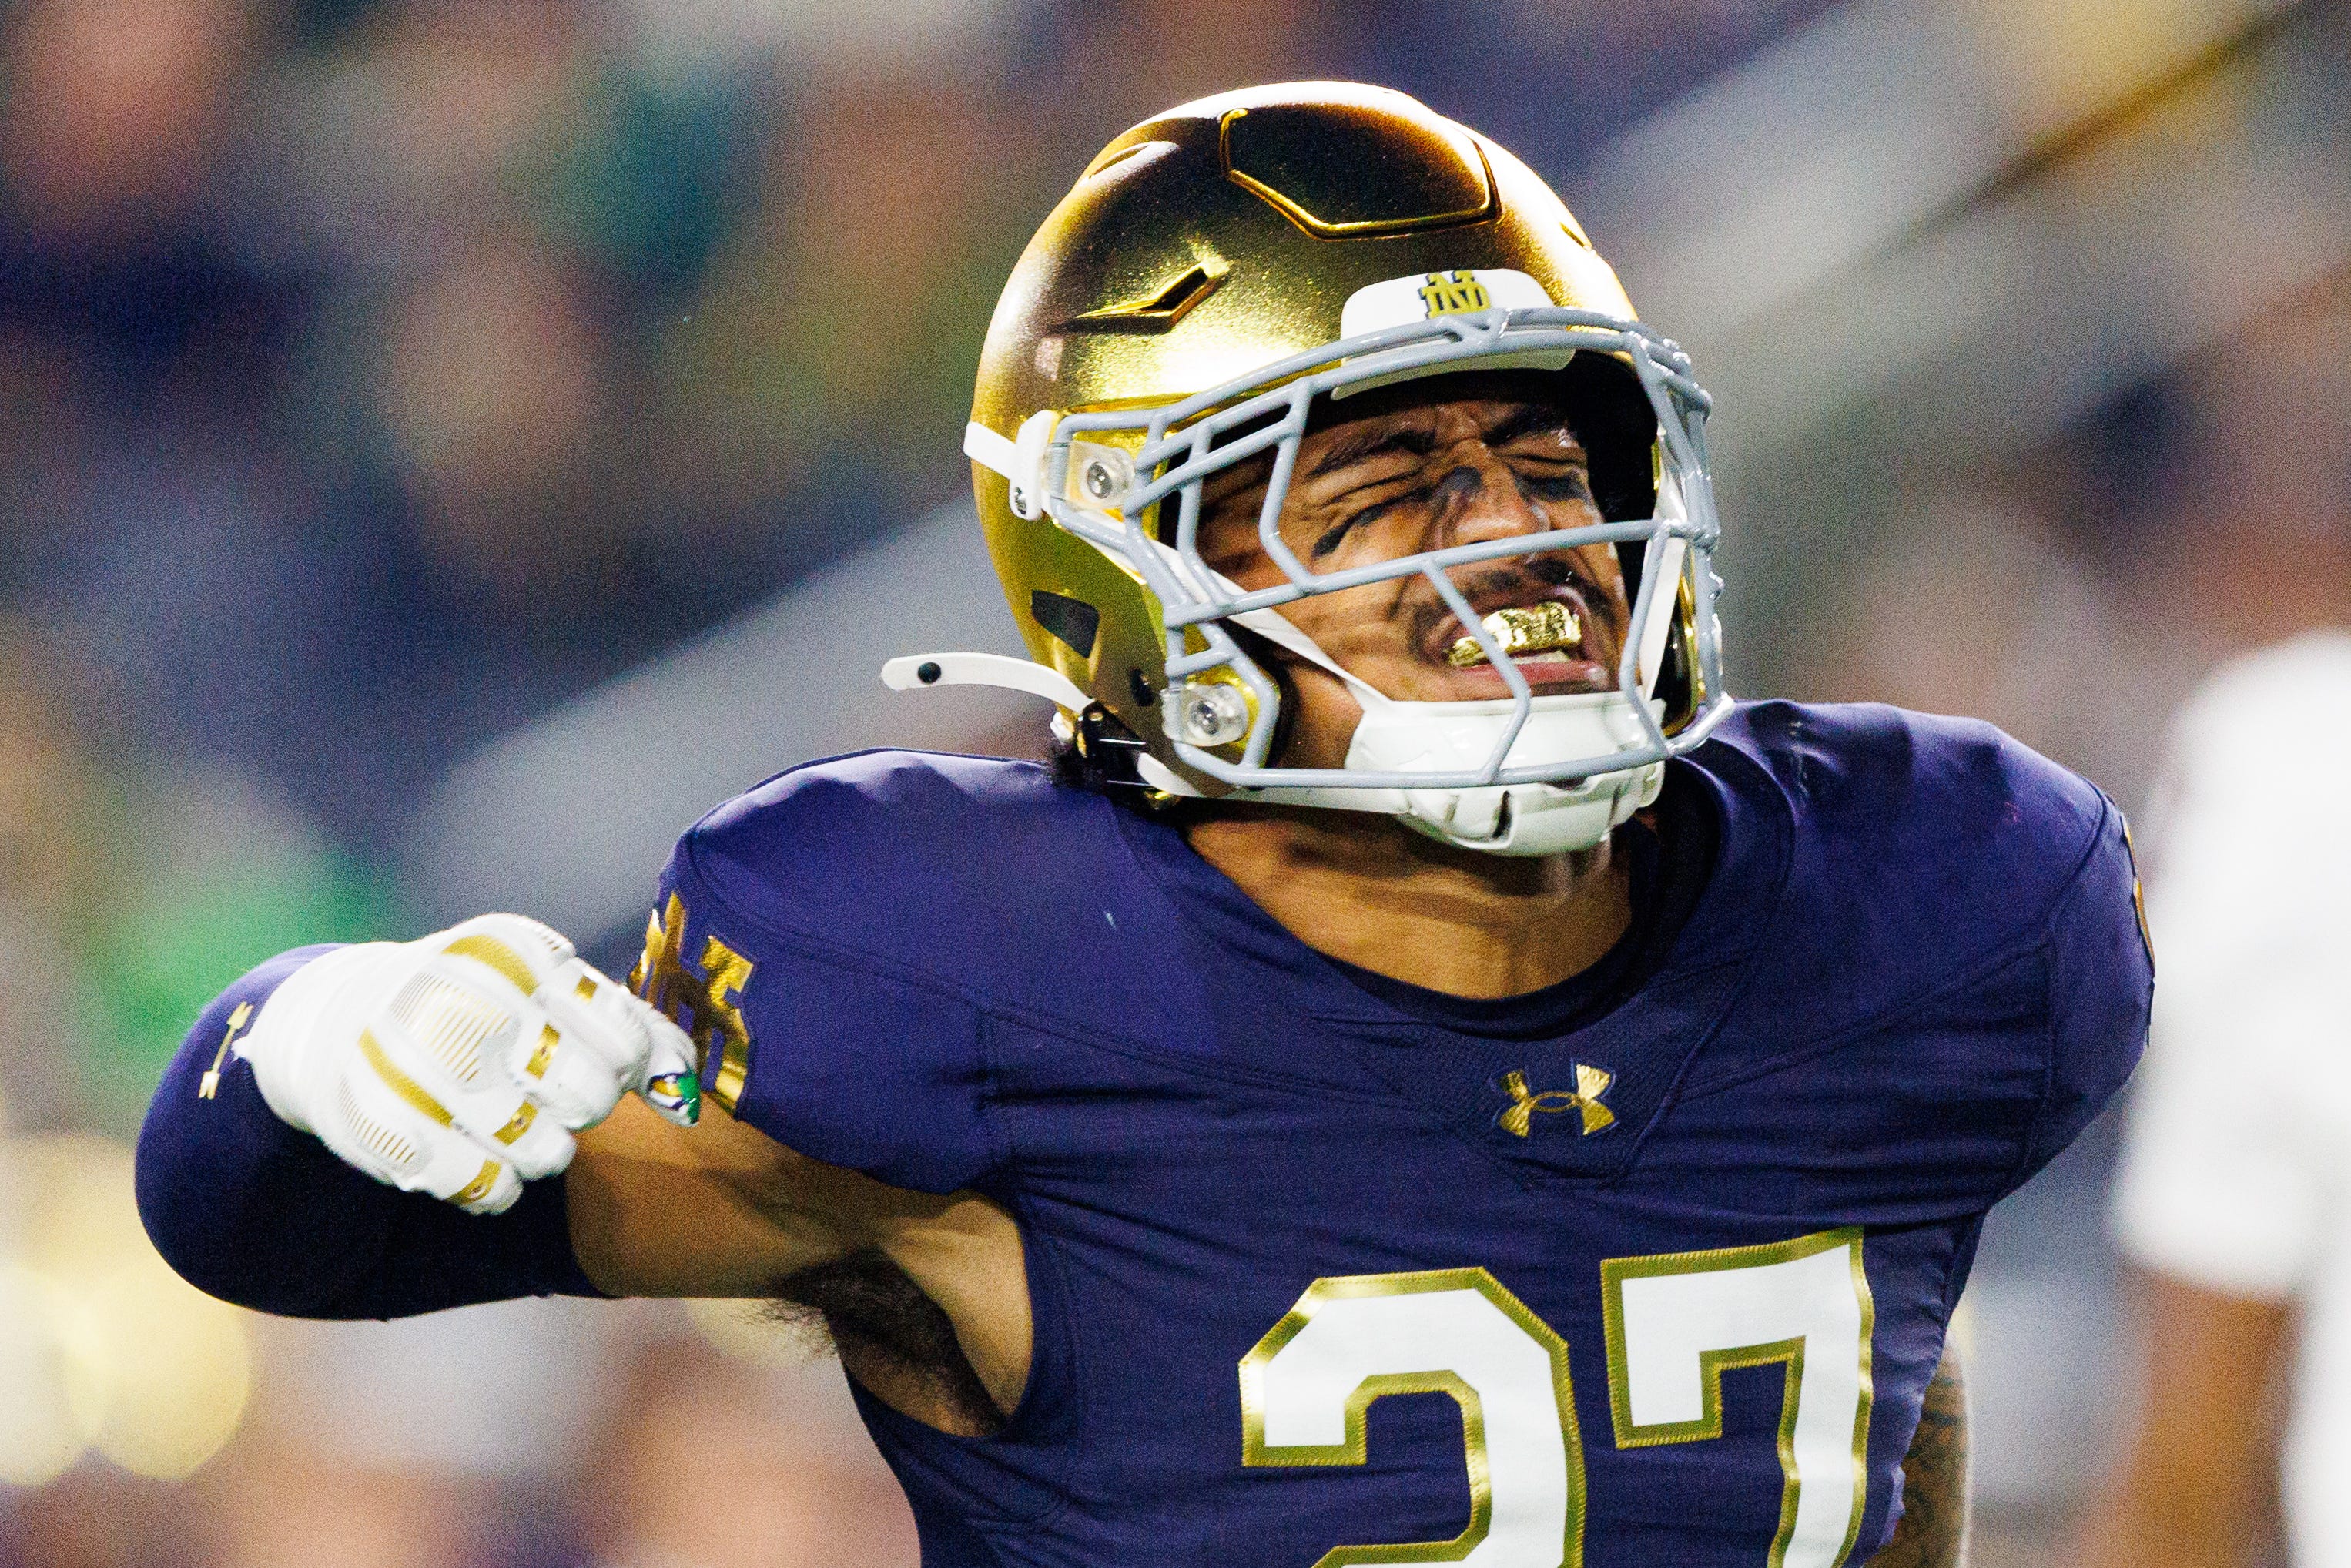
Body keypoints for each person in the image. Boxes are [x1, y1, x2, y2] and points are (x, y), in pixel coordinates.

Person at [136, 83, 2151, 1568]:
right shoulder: (974, 978)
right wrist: (324, 1045)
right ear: (1135, 579)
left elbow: (1894, 1354)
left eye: (1550, 455)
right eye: (1387, 494)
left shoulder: (1934, 893)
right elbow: (264, 1225)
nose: (1524, 538)